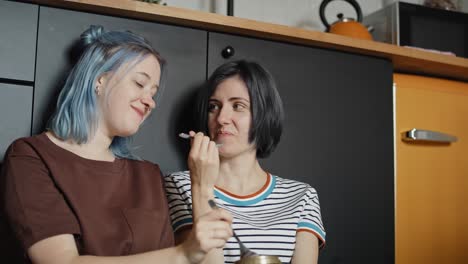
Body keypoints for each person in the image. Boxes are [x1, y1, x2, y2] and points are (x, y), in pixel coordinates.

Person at [0, 25, 233, 264]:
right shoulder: (30, 157)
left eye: (153, 93)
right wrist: (183, 255)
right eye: (140, 84)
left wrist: (203, 185)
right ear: (99, 79)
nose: (150, 102)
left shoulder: (148, 176)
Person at [165, 60, 326, 264]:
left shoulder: (303, 197)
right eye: (214, 107)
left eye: (238, 106)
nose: (222, 118)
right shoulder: (179, 186)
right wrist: (202, 186)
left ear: (264, 115)